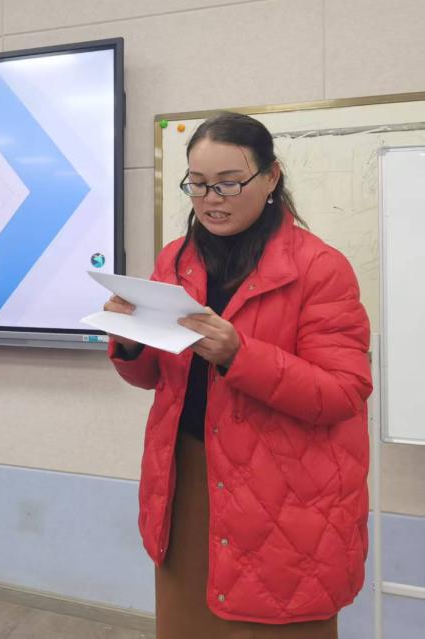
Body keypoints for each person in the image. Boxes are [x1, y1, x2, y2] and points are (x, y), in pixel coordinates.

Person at [105, 113, 371, 638]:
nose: (211, 200)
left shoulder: (320, 268)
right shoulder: (177, 259)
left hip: (286, 494)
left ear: (271, 178)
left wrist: (238, 356)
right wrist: (131, 340)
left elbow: (343, 392)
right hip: (187, 481)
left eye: (228, 183)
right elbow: (157, 379)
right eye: (198, 184)